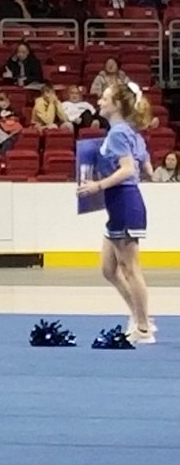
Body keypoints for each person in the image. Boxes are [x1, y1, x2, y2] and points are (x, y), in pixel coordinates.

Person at [77, 82, 155, 344]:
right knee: (109, 269)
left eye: (105, 98)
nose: (100, 101)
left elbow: (128, 170)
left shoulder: (118, 134)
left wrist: (98, 184)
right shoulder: (131, 133)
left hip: (124, 201)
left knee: (130, 268)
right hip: (121, 202)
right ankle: (139, 316)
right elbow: (147, 170)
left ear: (118, 105)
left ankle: (143, 327)